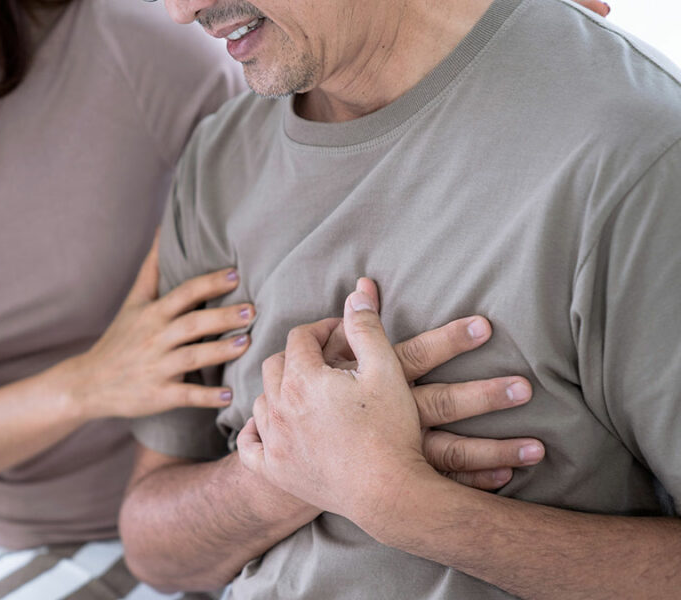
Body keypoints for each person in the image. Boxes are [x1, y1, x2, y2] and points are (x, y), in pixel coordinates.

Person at [0, 0, 549, 598]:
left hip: (145, 528)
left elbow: (336, 105)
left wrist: (497, 33)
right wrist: (91, 382)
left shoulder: (132, 52)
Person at [120, 0, 681, 598]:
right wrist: (285, 470)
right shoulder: (219, 157)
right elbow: (156, 551)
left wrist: (401, 504)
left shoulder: (636, 154)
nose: (182, 12)